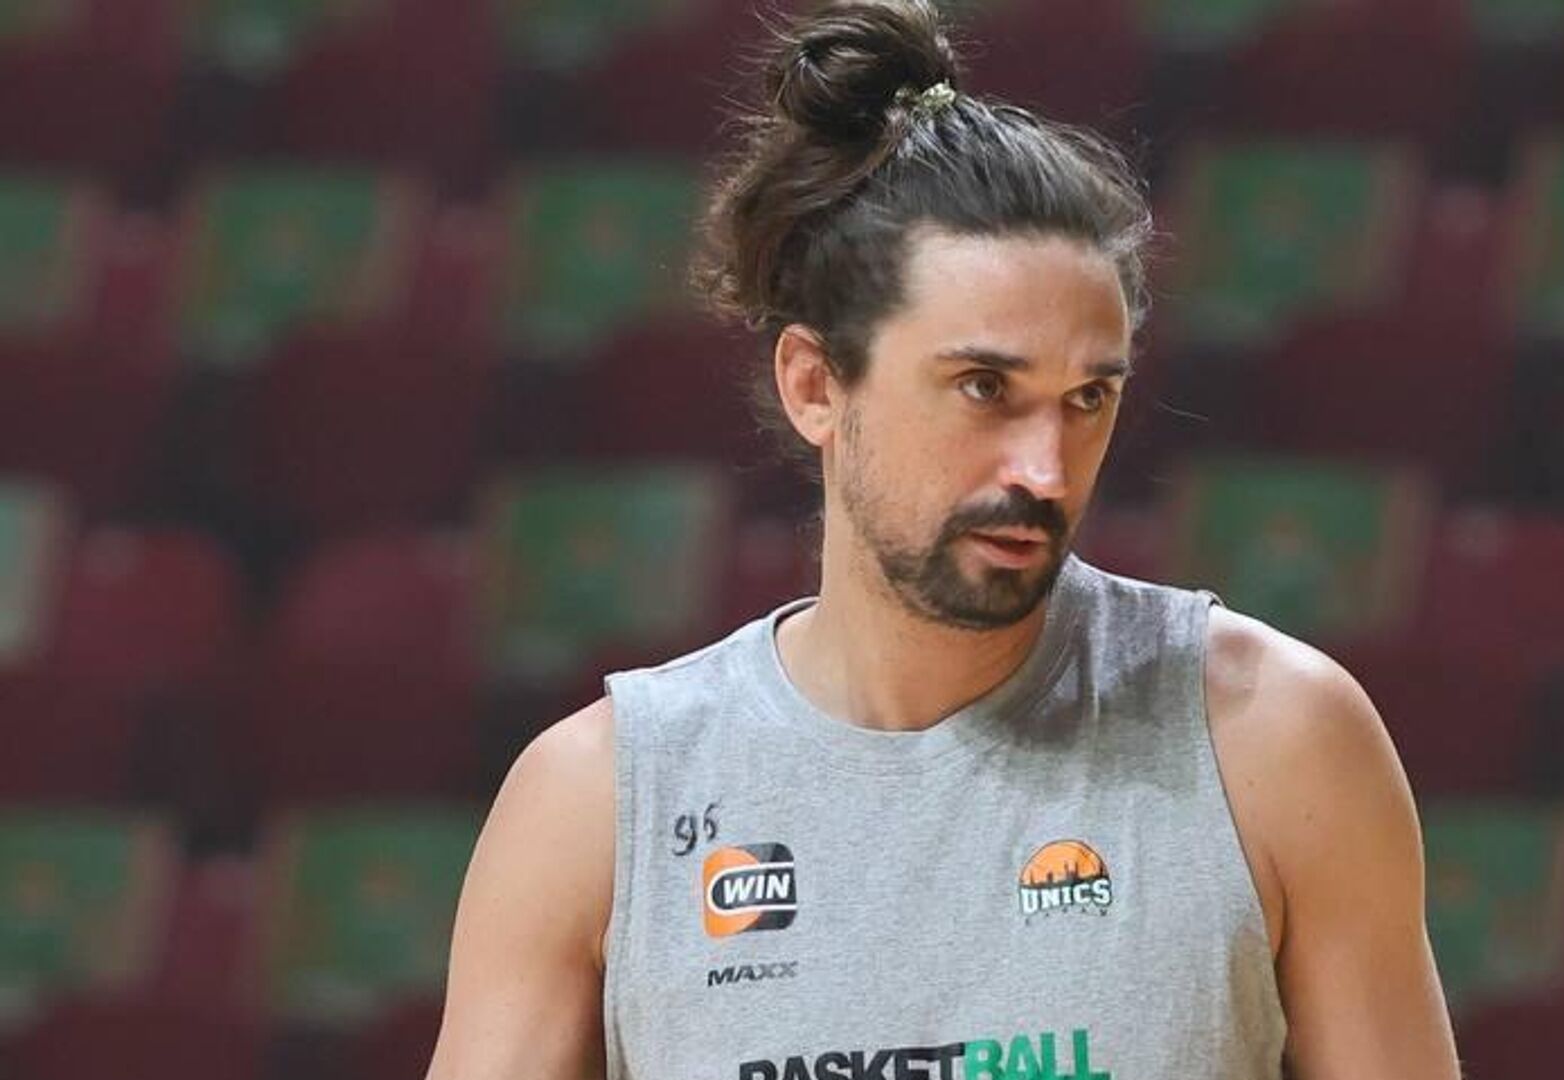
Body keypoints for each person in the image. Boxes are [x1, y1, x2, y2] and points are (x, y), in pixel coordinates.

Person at [427, 2, 1459, 1077]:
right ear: (815, 385)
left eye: (1088, 398)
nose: (1045, 471)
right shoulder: (602, 802)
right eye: (983, 388)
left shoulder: (1277, 738)